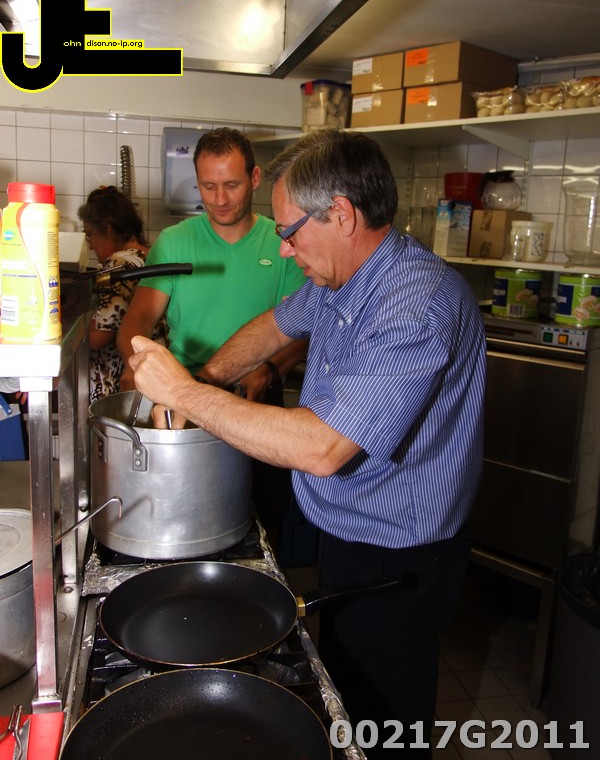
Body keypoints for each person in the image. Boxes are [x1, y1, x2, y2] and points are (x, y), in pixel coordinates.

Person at [127, 129, 487, 757]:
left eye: (291, 232)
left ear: (341, 214)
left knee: (385, 718)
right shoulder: (342, 278)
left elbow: (324, 447)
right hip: (351, 532)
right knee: (346, 691)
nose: (284, 250)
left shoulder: (416, 303)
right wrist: (207, 378)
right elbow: (274, 327)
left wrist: (185, 393)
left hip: (399, 554)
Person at [117, 126, 307, 533]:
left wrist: (268, 371)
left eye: (232, 185)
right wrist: (135, 364)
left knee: (261, 519)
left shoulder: (284, 243)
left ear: (254, 178)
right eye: (208, 186)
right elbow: (136, 321)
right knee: (184, 516)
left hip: (256, 398)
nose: (220, 199)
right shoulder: (174, 242)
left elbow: (302, 328)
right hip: (182, 400)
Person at [78, 185, 165, 402]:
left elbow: (99, 336)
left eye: (90, 235)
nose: (91, 246)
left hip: (120, 388)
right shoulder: (151, 256)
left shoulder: (118, 263)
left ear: (107, 229)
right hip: (153, 379)